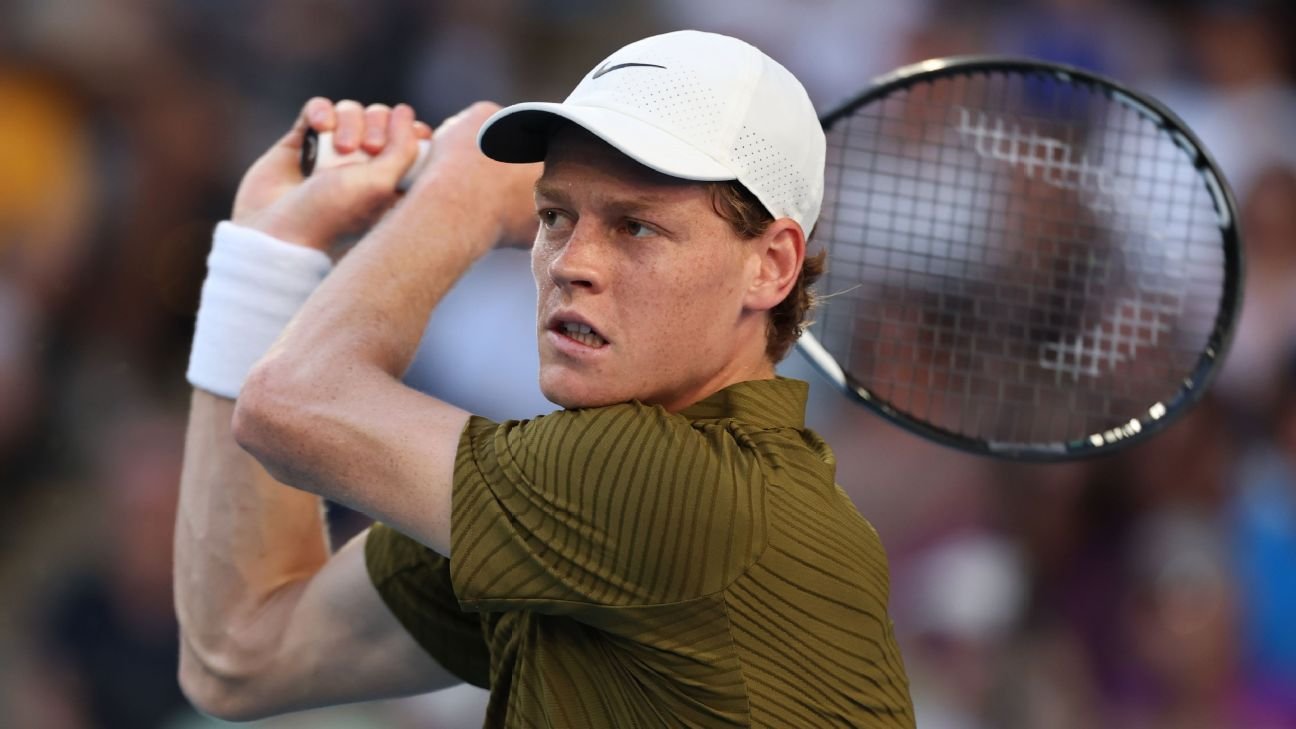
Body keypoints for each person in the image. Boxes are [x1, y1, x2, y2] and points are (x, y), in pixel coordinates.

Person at [175, 30, 914, 727]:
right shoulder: (574, 502)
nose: (570, 262)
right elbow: (240, 656)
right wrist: (270, 247)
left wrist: (459, 198)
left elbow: (289, 401)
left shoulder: (659, 489)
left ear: (772, 265)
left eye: (636, 226)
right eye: (554, 215)